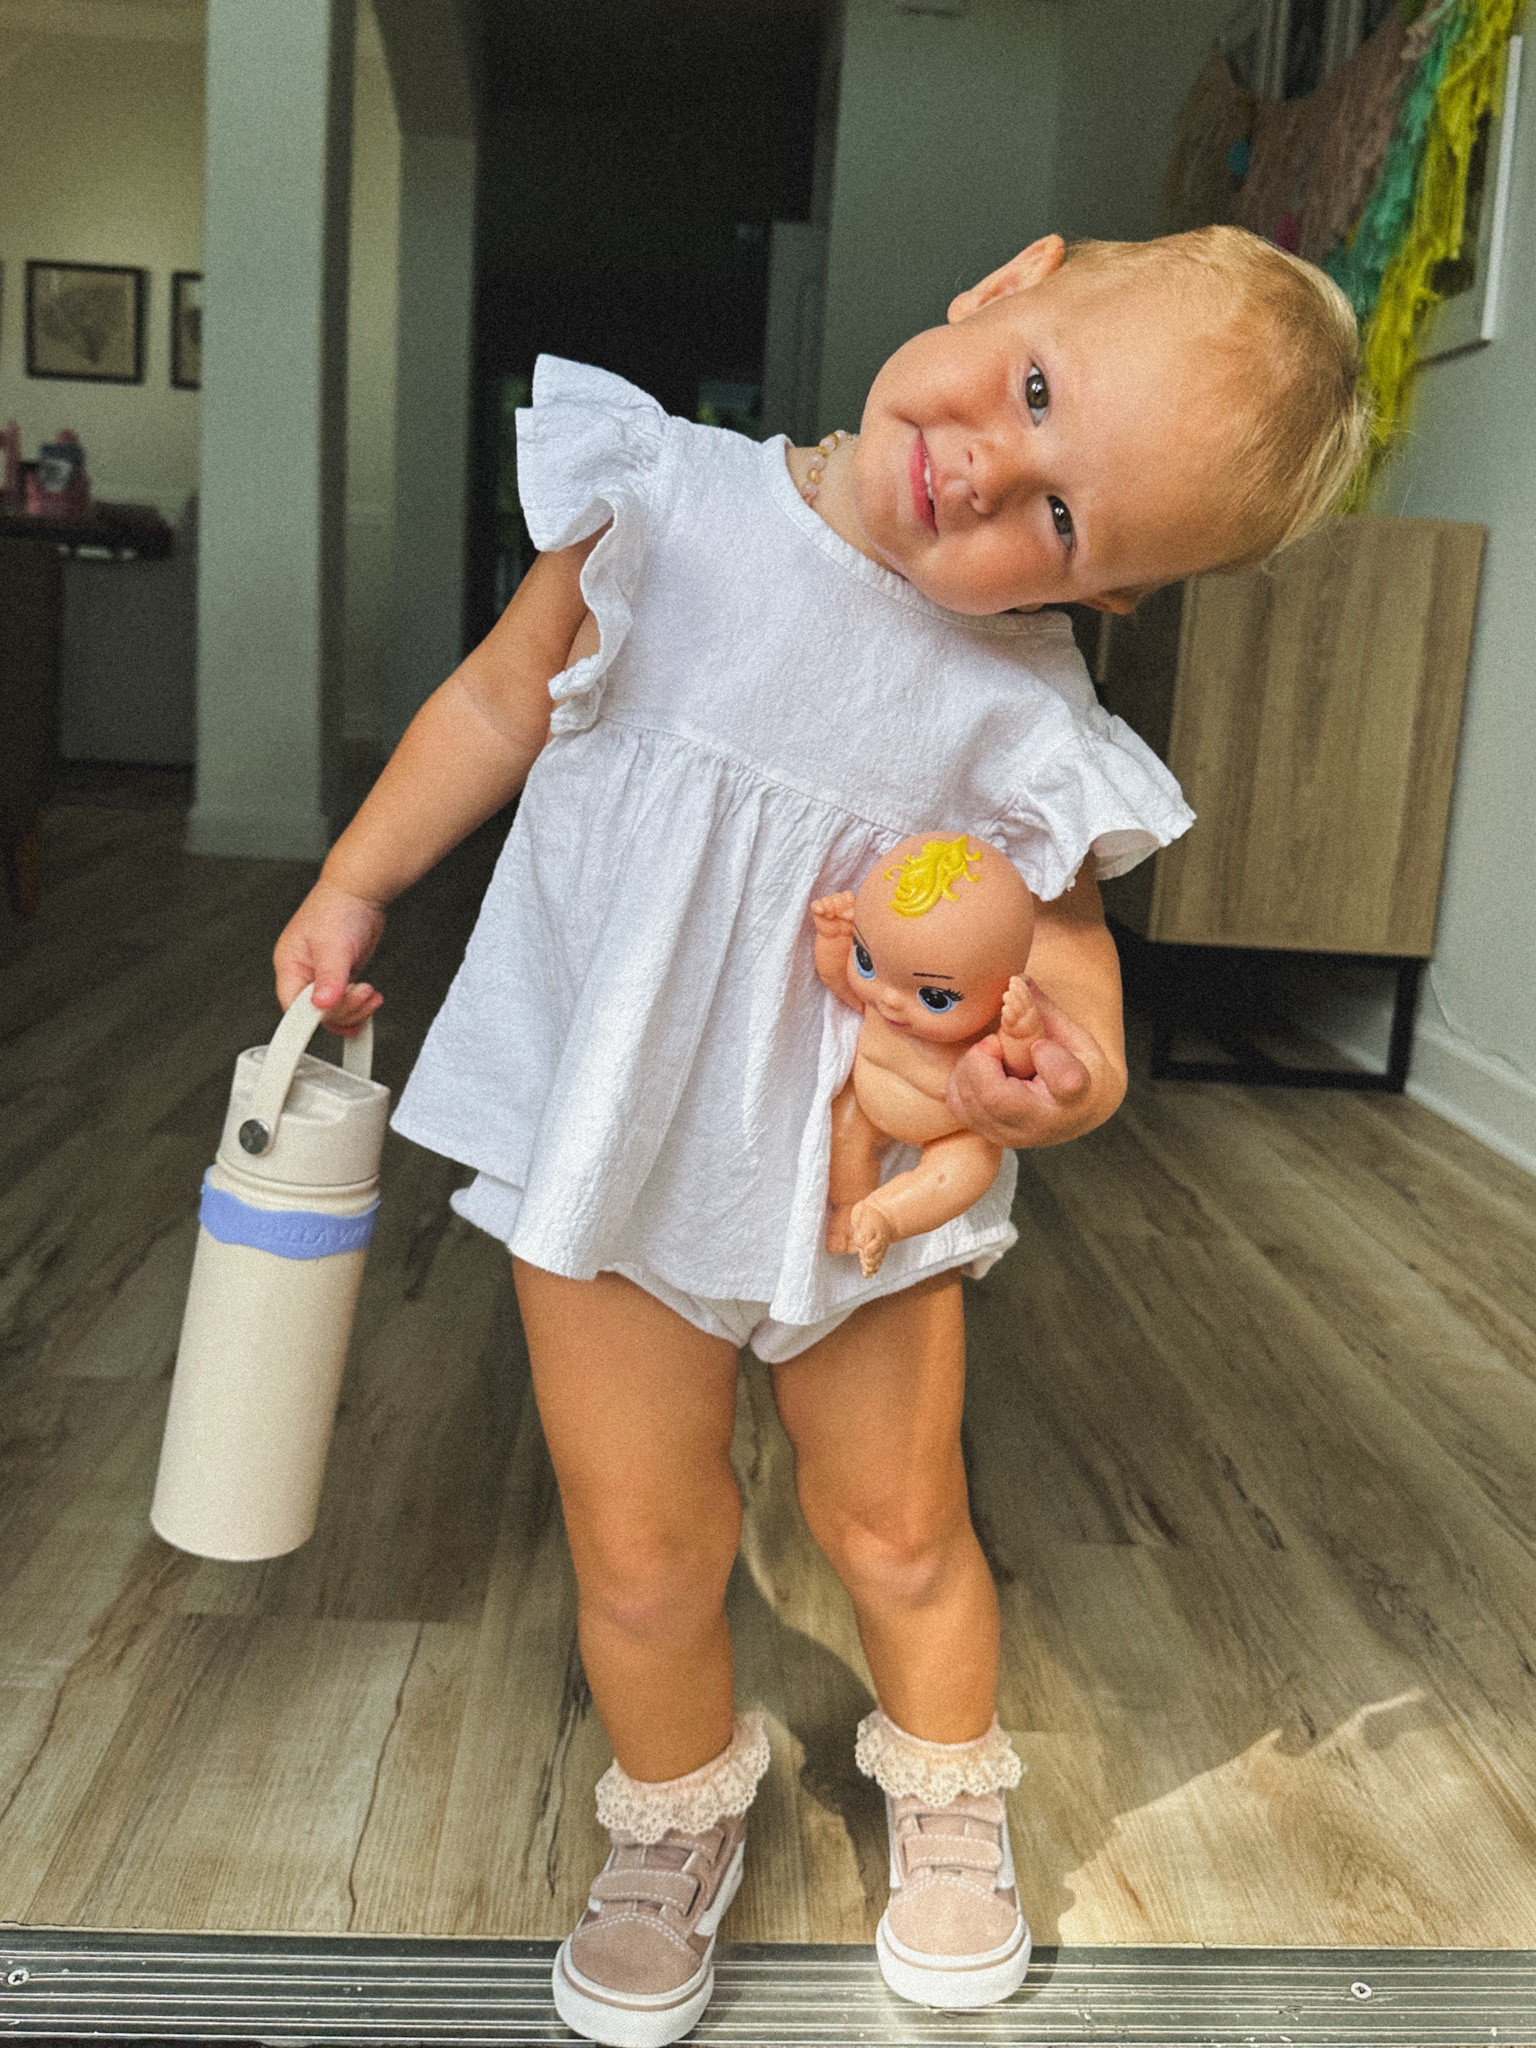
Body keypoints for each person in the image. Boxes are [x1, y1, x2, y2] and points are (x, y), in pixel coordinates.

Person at [274, 228, 1368, 2045]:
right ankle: (671, 1818)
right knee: (642, 1546)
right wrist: (353, 878)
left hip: (860, 1190)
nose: (989, 475)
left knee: (898, 1528)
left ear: (1107, 595)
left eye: (1065, 521)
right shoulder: (663, 501)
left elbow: (1074, 980)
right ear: (1010, 283)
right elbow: (496, 699)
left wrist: (1066, 1075)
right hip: (615, 1154)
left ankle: (945, 1797)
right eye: (1033, 390)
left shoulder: (1026, 706)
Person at [813, 833, 1044, 1277]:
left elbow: (1017, 1073)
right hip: (867, 1105)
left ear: (1003, 989)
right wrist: (834, 941)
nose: (889, 999)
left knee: (968, 1170)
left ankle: (888, 1216)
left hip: (952, 1128)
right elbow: (840, 983)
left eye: (935, 997)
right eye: (867, 961)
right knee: (844, 1134)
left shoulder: (987, 1032)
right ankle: (848, 1206)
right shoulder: (883, 1002)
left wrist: (1021, 1035)